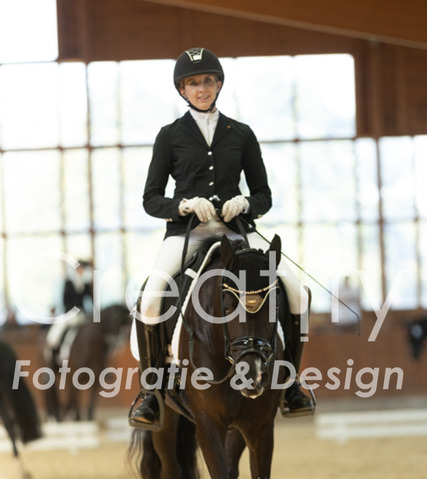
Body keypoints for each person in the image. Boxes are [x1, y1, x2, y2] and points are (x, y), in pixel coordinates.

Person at [129, 47, 313, 428]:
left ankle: (291, 384)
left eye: (208, 81)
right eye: (193, 83)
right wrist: (183, 206)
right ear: (182, 89)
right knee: (151, 298)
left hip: (236, 233)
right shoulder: (169, 136)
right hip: (188, 235)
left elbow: (264, 195)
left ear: (218, 84)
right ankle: (150, 393)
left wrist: (245, 203)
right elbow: (150, 199)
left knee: (297, 291)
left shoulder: (241, 134)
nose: (202, 89)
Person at [45, 260, 94, 363]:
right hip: (69, 313)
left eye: (82, 269)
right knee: (57, 332)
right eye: (79, 269)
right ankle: (55, 355)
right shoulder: (68, 283)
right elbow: (65, 301)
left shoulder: (85, 285)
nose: (81, 271)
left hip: (82, 314)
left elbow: (90, 300)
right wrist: (73, 311)